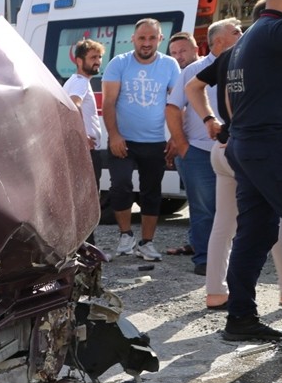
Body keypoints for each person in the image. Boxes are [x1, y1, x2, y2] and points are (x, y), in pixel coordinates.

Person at [186, 2, 282, 313]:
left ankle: (216, 292)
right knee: (279, 223)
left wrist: (209, 121)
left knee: (224, 225)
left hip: (226, 147)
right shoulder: (265, 56)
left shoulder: (230, 57)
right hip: (251, 148)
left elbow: (194, 87)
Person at [220, 0, 282, 341]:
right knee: (253, 233)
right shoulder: (278, 31)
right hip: (269, 146)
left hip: (249, 146)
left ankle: (240, 319)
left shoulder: (249, 37)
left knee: (255, 233)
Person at [101, 18, 182, 262]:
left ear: (160, 39)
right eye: (142, 38)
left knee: (151, 192)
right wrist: (114, 135)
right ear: (133, 39)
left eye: (152, 38)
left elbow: (176, 104)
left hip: (154, 141)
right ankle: (125, 235)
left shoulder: (170, 65)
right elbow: (108, 102)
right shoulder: (119, 63)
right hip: (123, 140)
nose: (146, 43)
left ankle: (147, 243)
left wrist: (177, 137)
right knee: (121, 186)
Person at [163, 30, 217, 273]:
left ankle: (208, 250)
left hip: (223, 149)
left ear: (197, 48)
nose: (179, 56)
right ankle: (204, 256)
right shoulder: (184, 73)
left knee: (217, 207)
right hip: (196, 150)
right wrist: (182, 145)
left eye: (183, 50)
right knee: (202, 206)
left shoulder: (212, 67)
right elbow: (173, 109)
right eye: (174, 53)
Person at [62, 39, 105, 247]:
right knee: (87, 202)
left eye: (99, 57)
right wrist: (82, 136)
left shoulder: (74, 81)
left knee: (80, 201)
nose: (98, 62)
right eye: (93, 58)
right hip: (85, 152)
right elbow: (73, 104)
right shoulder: (79, 82)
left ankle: (82, 247)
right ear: (79, 61)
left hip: (80, 150)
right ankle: (88, 249)